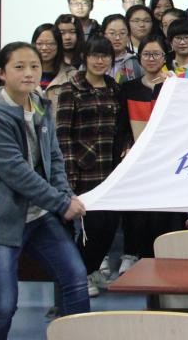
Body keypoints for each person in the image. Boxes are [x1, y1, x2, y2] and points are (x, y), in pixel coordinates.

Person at [0, 42, 89, 340]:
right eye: (19, 67)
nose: (29, 73)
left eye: (34, 66)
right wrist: (61, 204)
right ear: (2, 74)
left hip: (38, 215)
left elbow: (54, 158)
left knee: (75, 278)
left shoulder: (40, 105)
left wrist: (65, 194)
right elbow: (16, 173)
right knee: (2, 304)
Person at [55, 36, 132, 297]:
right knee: (92, 227)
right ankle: (80, 274)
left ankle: (91, 268)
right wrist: (69, 174)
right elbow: (63, 135)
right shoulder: (71, 89)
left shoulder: (114, 88)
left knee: (109, 226)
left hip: (111, 169)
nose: (100, 61)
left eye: (105, 56)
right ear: (85, 58)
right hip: (84, 168)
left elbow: (123, 129)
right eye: (94, 55)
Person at [118, 36, 185, 274]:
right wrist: (126, 147)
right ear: (139, 58)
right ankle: (136, 256)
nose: (151, 59)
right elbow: (122, 126)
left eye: (157, 54)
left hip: (168, 161)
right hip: (137, 162)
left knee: (165, 213)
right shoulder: (128, 88)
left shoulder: (175, 86)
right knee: (138, 212)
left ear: (165, 58)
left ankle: (169, 260)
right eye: (146, 54)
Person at [32, 23, 72, 93]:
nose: (44, 48)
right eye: (39, 44)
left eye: (50, 43)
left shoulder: (71, 74)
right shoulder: (24, 73)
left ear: (59, 45)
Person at [101, 14, 141, 82]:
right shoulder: (94, 61)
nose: (117, 38)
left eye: (122, 33)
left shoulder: (137, 62)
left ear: (128, 36)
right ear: (103, 36)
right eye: (112, 33)